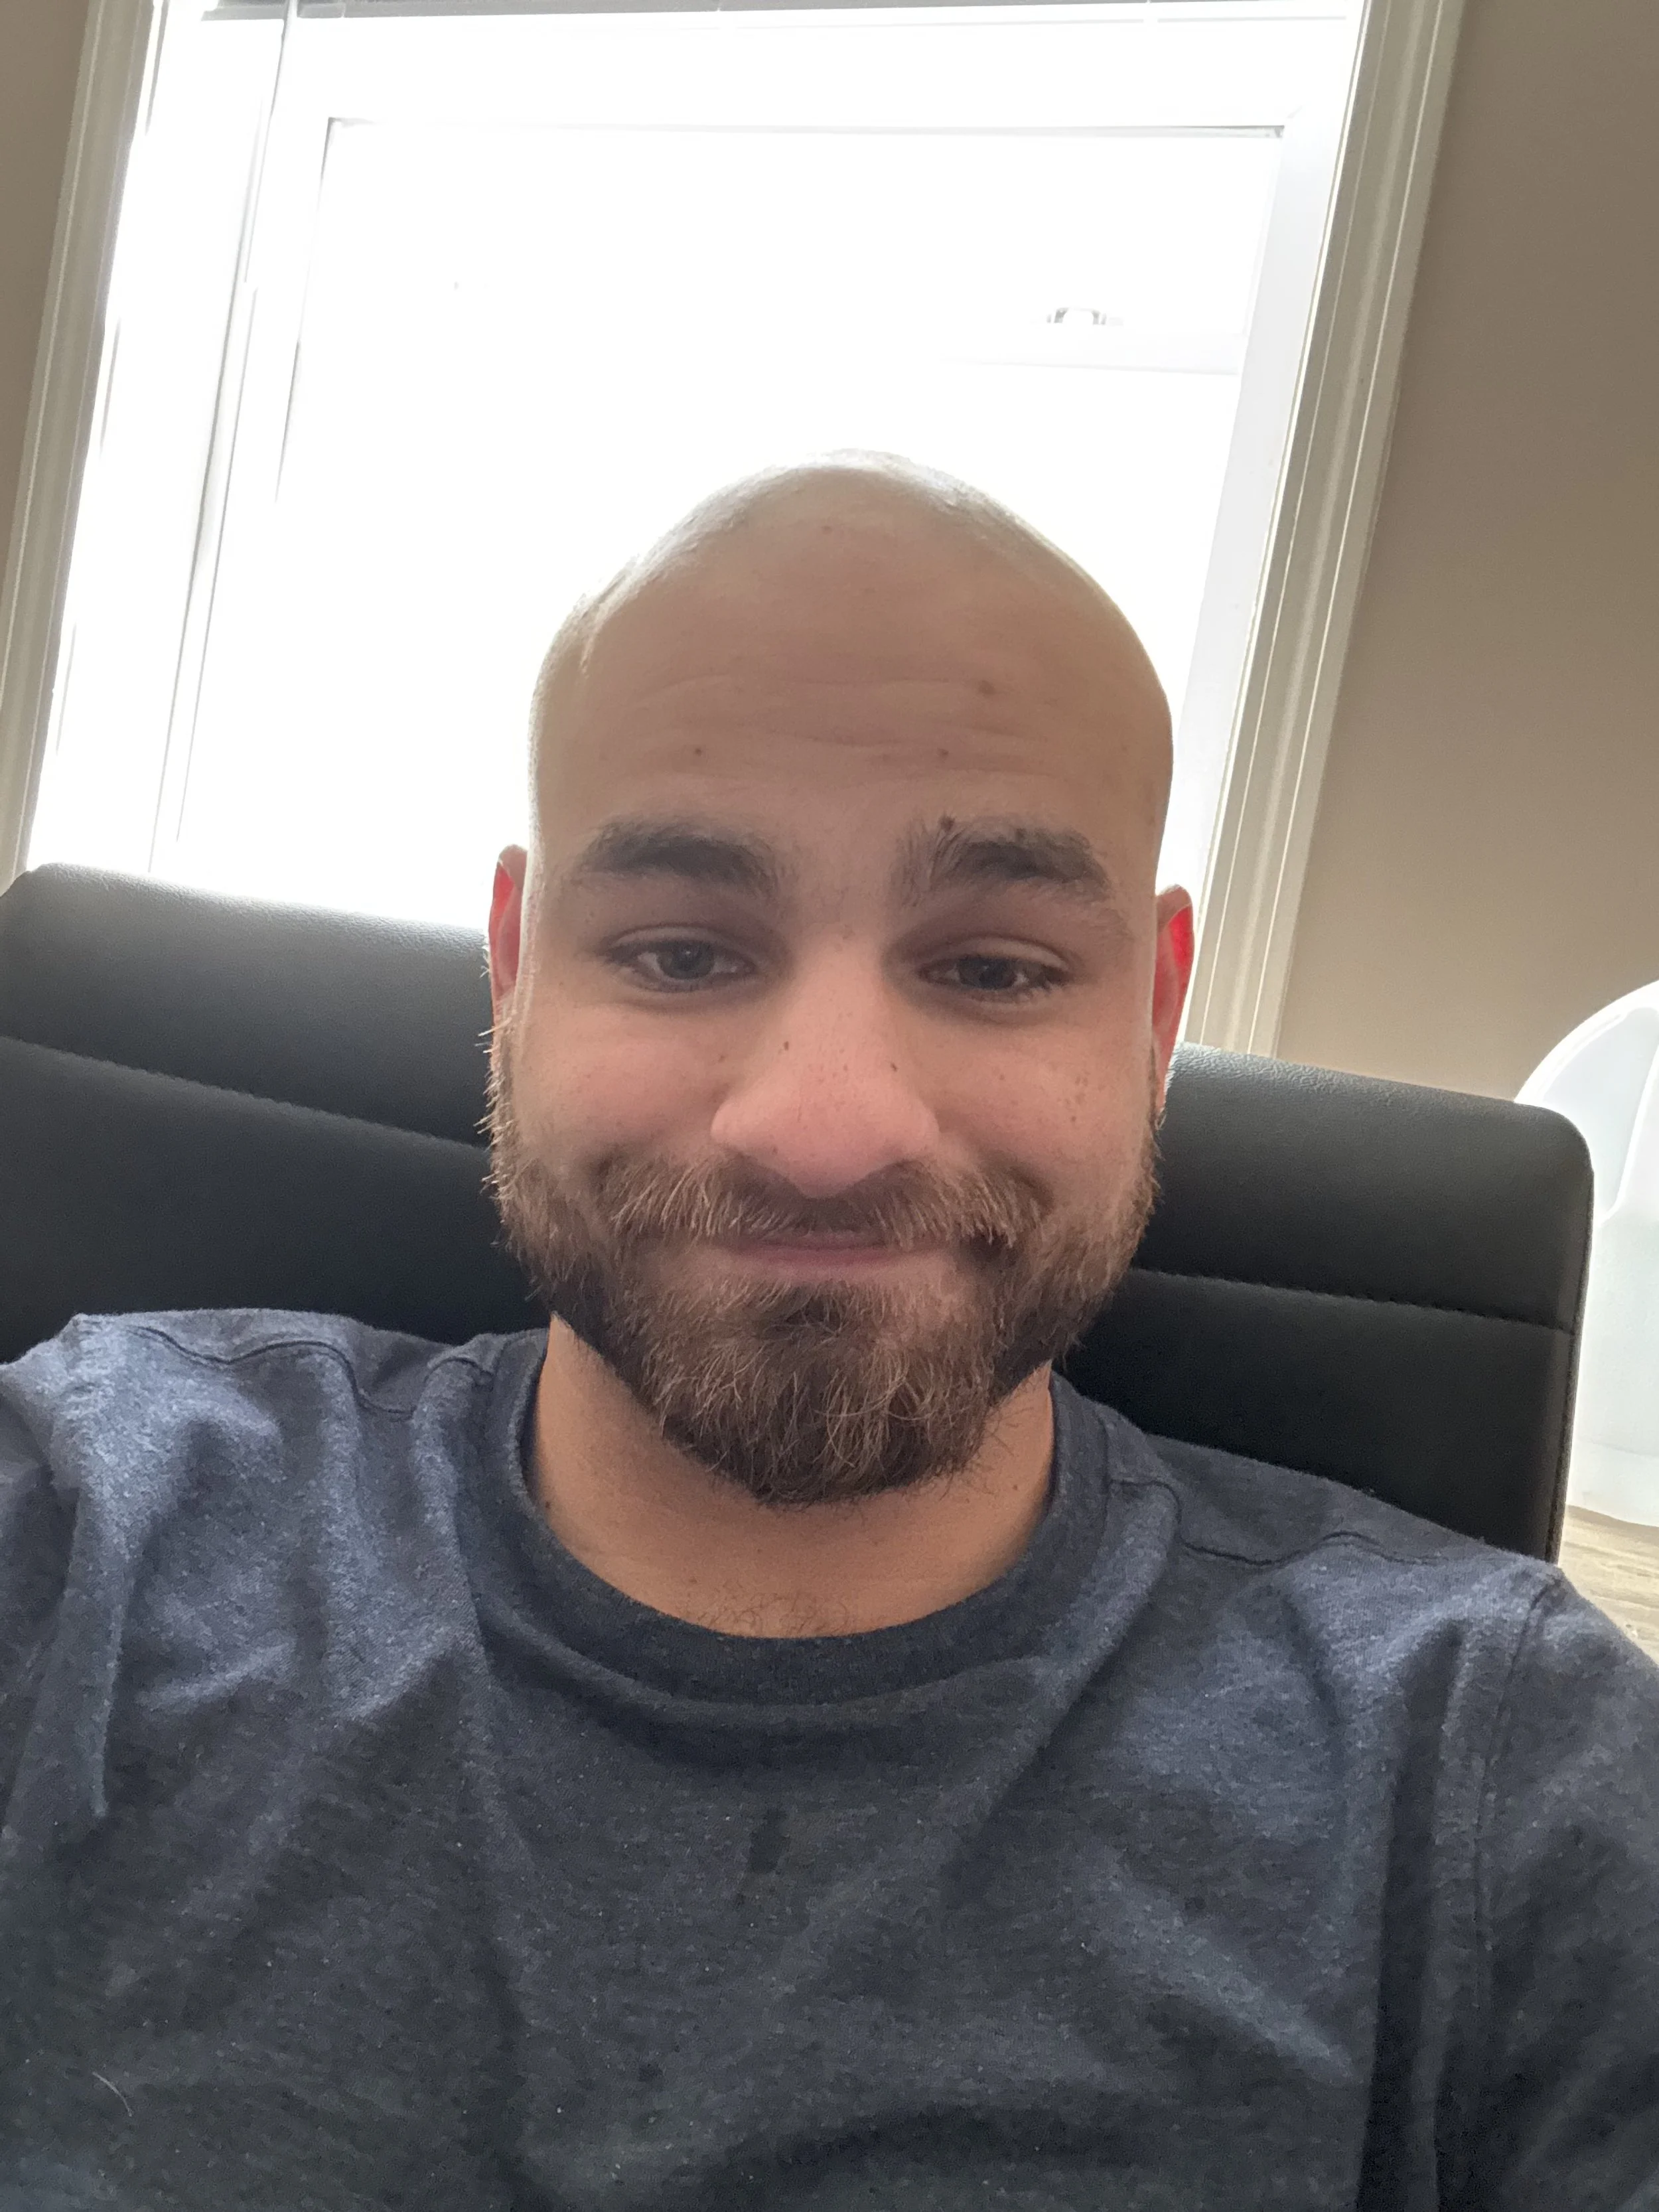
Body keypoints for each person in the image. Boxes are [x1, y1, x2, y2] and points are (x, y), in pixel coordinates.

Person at [1, 456, 1656, 2212]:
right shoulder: (86, 1531)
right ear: (516, 970)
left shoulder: (1507, 1780)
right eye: (680, 952)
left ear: (1157, 1013)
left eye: (996, 968)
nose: (823, 1130)